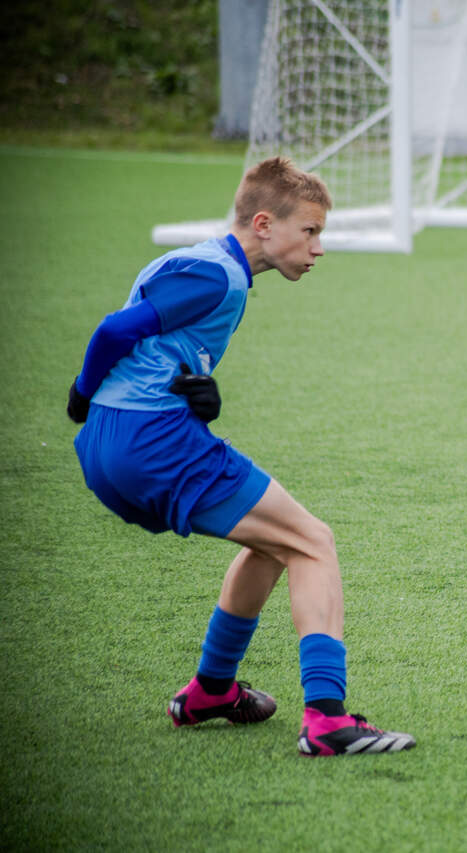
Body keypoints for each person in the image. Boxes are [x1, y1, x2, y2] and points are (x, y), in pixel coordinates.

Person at [67, 157, 415, 755]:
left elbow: (152, 346)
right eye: (310, 231)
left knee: (274, 542)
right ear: (263, 224)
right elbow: (114, 331)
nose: (318, 248)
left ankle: (211, 691)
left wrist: (194, 387)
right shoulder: (218, 275)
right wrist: (80, 394)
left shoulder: (199, 261)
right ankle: (327, 721)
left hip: (108, 448)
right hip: (147, 439)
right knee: (314, 542)